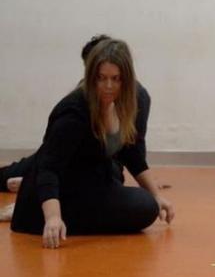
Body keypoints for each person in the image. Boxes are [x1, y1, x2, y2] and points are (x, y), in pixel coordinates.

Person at [7, 39, 173, 248]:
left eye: (116, 79)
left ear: (126, 80)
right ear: (91, 77)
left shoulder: (124, 104)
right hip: (62, 195)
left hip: (91, 185)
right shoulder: (74, 112)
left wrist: (157, 196)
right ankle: (40, 209)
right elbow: (48, 168)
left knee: (148, 202)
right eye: (101, 78)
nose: (108, 86)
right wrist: (53, 218)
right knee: (144, 206)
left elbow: (131, 153)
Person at [0, 34, 151, 194]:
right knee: (34, 166)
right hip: (69, 156)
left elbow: (134, 145)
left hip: (102, 167)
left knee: (108, 177)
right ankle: (35, 185)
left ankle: (36, 185)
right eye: (98, 76)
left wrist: (149, 186)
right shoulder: (81, 95)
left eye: (114, 78)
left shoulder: (137, 97)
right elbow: (55, 151)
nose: (107, 84)